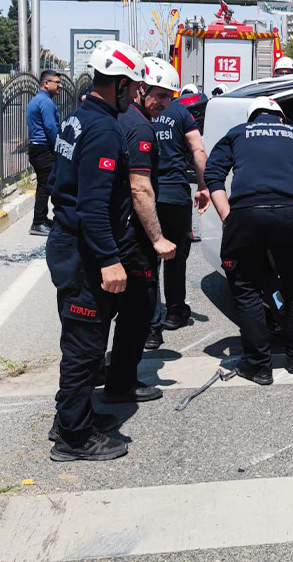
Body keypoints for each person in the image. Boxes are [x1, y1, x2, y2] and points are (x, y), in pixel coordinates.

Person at [45, 40, 145, 462]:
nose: (136, 96)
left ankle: (73, 414)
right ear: (120, 85)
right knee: (85, 347)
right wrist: (109, 259)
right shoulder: (104, 129)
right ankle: (73, 437)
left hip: (69, 243)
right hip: (85, 252)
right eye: (134, 88)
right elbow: (92, 205)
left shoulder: (80, 117)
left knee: (79, 340)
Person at [204, 98, 293, 385]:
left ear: (252, 117)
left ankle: (259, 365)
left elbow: (213, 174)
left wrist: (227, 216)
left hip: (246, 215)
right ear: (281, 118)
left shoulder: (237, 132)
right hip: (290, 214)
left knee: (245, 288)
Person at [106, 57, 180, 393]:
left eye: (169, 97)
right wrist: (157, 238)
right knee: (138, 311)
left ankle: (105, 371)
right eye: (159, 95)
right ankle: (122, 381)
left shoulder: (121, 118)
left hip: (114, 230)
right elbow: (140, 187)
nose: (164, 104)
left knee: (108, 311)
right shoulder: (139, 127)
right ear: (141, 89)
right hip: (133, 237)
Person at [143, 57, 210, 350]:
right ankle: (175, 311)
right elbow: (198, 149)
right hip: (176, 196)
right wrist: (205, 186)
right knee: (175, 258)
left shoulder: (133, 114)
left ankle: (151, 327)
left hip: (148, 196)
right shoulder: (181, 112)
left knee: (148, 262)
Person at [26, 69, 61, 236]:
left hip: (37, 147)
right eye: (57, 82)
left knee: (44, 184)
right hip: (43, 148)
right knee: (46, 186)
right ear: (46, 84)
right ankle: (38, 223)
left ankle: (42, 219)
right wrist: (58, 148)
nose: (59, 85)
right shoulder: (46, 102)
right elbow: (50, 127)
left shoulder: (37, 100)